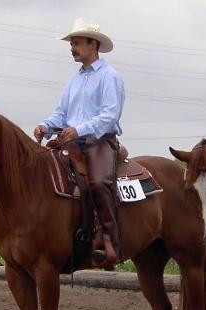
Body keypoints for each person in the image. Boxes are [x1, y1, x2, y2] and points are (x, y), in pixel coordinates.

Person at [34, 17, 125, 266]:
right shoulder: (73, 80)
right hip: (70, 142)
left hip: (99, 141)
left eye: (76, 43)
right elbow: (61, 114)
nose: (72, 48)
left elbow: (109, 116)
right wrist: (46, 125)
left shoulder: (109, 77)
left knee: (97, 182)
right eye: (71, 43)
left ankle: (110, 242)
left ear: (92, 44)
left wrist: (79, 130)